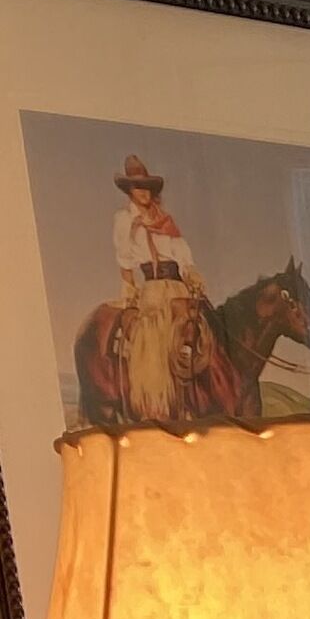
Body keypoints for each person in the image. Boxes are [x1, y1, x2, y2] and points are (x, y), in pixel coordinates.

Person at [106, 156, 204, 427]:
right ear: (130, 191)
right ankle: (155, 401)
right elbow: (125, 259)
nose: (144, 193)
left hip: (177, 285)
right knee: (153, 337)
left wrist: (191, 273)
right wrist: (129, 288)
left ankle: (196, 398)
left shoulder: (165, 220)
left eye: (147, 187)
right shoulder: (125, 220)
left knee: (199, 331)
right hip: (153, 287)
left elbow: (181, 253)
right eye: (138, 188)